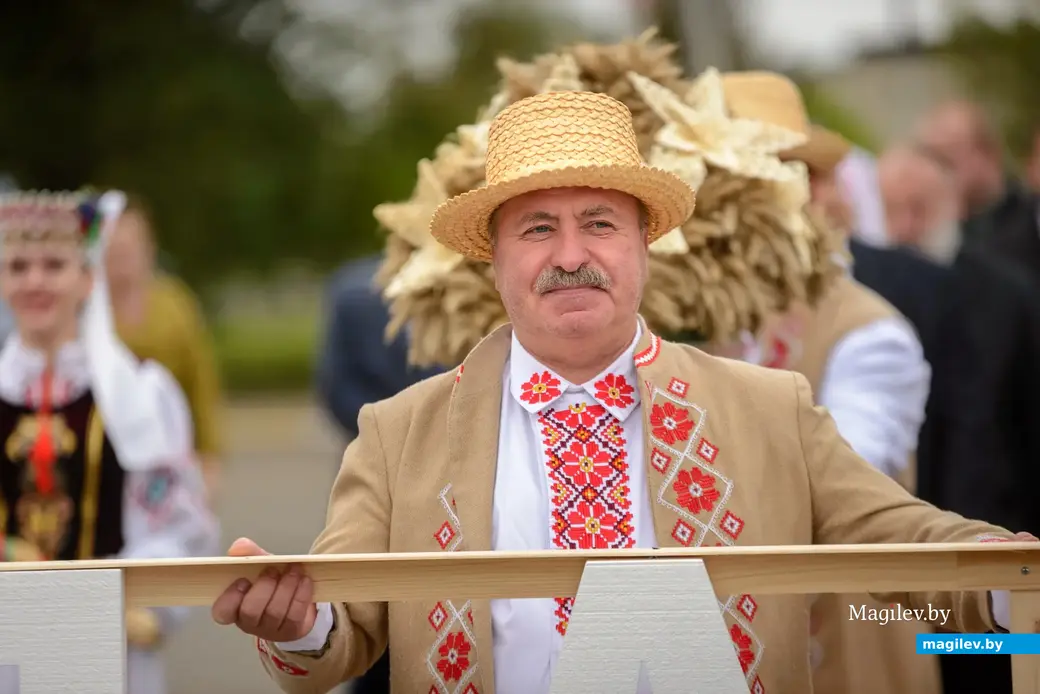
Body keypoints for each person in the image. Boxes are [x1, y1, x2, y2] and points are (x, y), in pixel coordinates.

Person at [209, 89, 1035, 694]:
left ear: (645, 245)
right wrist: (298, 619)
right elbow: (336, 631)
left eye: (599, 223)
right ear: (494, 263)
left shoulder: (768, 407)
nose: (571, 255)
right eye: (538, 229)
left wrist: (1013, 577)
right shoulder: (398, 432)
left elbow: (908, 545)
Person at [718, 72, 938, 694]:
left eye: (738, 184)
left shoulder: (869, 332)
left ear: (811, 191)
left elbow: (838, 481)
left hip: (851, 657)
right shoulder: (699, 324)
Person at [0, 189, 218, 693]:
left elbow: (179, 523)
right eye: (18, 266)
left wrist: (120, 602)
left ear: (87, 278)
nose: (35, 281)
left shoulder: (140, 394)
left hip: (106, 642)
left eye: (54, 265)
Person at [878, 144, 1040, 694]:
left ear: (953, 207)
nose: (905, 226)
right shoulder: (868, 300)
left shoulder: (1008, 295)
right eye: (892, 209)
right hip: (896, 564)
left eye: (919, 208)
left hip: (992, 551)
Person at [316, 252, 444, 694]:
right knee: (368, 601)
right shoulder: (352, 292)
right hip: (377, 472)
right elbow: (336, 388)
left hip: (454, 471)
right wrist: (396, 436)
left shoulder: (473, 284)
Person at [105, 195, 225, 499]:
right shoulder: (83, 310)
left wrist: (209, 456)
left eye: (129, 250)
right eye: (113, 251)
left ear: (149, 248)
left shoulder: (175, 304)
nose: (122, 261)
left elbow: (201, 384)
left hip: (171, 451)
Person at [916, 100, 1040, 282]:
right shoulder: (935, 235)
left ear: (988, 152)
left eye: (947, 155)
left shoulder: (1031, 219)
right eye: (929, 157)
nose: (936, 170)